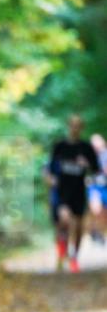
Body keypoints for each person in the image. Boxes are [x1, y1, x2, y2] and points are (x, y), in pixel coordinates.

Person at [48, 115, 100, 273]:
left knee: (78, 227)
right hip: (62, 191)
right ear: (68, 126)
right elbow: (50, 169)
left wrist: (87, 164)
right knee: (63, 220)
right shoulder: (60, 146)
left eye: (78, 126)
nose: (75, 128)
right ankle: (62, 249)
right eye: (72, 125)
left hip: (78, 191)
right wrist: (51, 180)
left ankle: (74, 257)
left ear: (81, 128)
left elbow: (96, 169)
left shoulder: (86, 148)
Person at [87, 133, 107, 244]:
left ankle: (99, 232)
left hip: (105, 187)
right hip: (94, 187)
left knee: (104, 214)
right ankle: (94, 231)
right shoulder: (89, 156)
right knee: (96, 209)